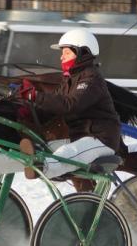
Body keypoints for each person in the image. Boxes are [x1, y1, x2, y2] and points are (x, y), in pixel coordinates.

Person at [16, 28, 122, 180]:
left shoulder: (91, 78)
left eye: (66, 53)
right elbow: (54, 104)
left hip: (100, 138)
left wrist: (35, 96)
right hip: (81, 137)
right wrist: (26, 105)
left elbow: (69, 105)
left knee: (67, 152)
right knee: (48, 148)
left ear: (82, 53)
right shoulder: (70, 80)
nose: (61, 58)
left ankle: (41, 167)